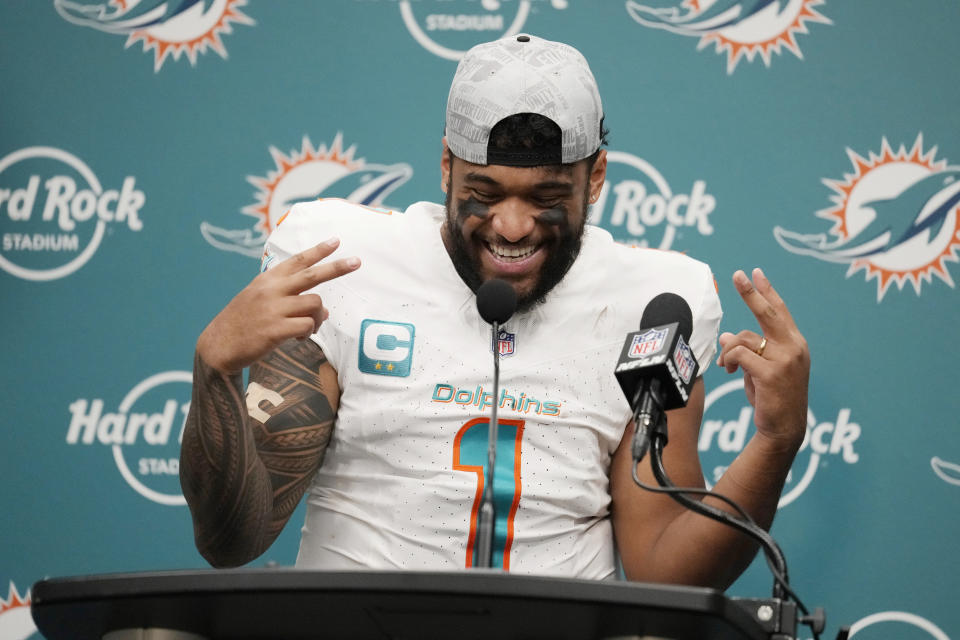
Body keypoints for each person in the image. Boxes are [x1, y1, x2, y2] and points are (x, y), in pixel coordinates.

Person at [180, 34, 810, 588]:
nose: (512, 226)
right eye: (483, 193)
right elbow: (231, 541)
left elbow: (665, 571)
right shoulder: (344, 267)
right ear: (447, 167)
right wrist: (214, 374)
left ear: (596, 178)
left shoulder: (652, 307)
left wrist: (776, 441)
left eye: (547, 196)